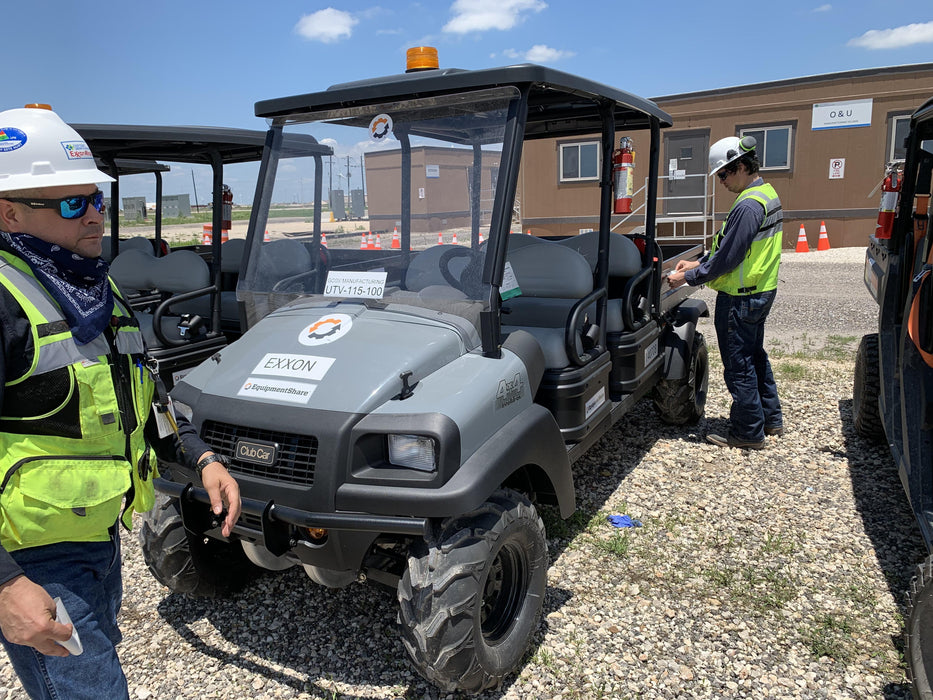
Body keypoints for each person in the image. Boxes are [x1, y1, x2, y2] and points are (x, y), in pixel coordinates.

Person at [0, 105, 241, 699]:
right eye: (72, 204)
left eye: (97, 199)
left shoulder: (90, 284)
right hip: (35, 559)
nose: (96, 216)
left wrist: (202, 457)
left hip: (98, 539)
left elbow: (139, 391)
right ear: (9, 213)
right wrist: (5, 585)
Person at [667, 135, 783, 449]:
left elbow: (730, 259)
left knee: (738, 364)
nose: (721, 181)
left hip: (740, 297)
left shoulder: (747, 206)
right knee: (755, 356)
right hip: (759, 291)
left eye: (723, 174)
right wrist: (699, 260)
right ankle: (770, 419)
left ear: (742, 166)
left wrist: (688, 277)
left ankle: (748, 433)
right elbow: (726, 248)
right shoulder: (764, 194)